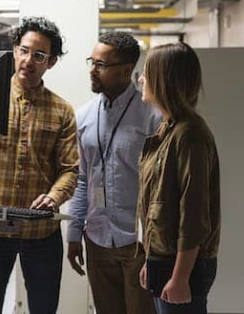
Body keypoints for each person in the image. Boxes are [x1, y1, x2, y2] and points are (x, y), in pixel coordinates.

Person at [0, 16, 79, 314]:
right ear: (14, 50)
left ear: (52, 62)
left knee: (43, 308)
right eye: (24, 50)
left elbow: (70, 169)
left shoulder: (62, 110)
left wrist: (56, 196)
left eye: (39, 55)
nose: (28, 60)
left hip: (41, 231)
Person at [66, 31, 160, 314]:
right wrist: (73, 233)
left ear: (126, 71)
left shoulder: (151, 116)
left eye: (101, 65)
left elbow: (159, 185)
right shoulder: (84, 116)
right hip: (96, 239)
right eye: (91, 62)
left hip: (138, 243)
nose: (92, 70)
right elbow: (84, 179)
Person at [137, 42, 220, 314]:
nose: (141, 80)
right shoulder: (168, 129)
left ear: (164, 80)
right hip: (165, 258)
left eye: (147, 74)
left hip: (183, 265)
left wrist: (181, 277)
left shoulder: (189, 134)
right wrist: (151, 260)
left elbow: (194, 213)